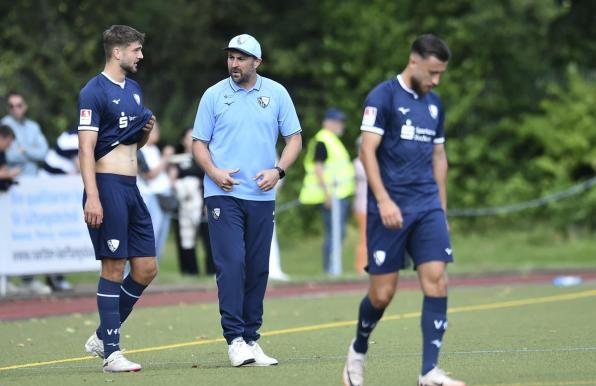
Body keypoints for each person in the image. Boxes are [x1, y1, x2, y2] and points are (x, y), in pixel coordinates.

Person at [342, 34, 466, 386]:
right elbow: (367, 152)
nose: (436, 80)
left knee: (437, 280)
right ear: (414, 62)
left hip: (426, 205)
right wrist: (382, 200)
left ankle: (429, 372)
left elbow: (439, 156)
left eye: (441, 73)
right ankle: (358, 349)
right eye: (432, 72)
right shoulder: (382, 97)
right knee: (382, 294)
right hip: (389, 208)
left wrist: (441, 209)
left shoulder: (435, 104)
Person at [192, 33, 302, 367]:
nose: (234, 63)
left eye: (241, 58)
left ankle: (252, 339)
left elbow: (294, 140)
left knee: (257, 268)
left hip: (261, 196)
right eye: (230, 57)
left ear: (257, 62)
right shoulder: (213, 95)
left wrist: (278, 171)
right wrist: (214, 171)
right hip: (222, 194)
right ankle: (235, 339)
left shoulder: (276, 93)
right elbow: (199, 143)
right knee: (231, 264)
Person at [78, 25, 157, 373]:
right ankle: (112, 352)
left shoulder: (135, 89)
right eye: (136, 49)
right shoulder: (92, 91)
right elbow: (86, 150)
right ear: (117, 52)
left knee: (146, 268)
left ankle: (101, 335)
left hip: (131, 188)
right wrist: (92, 196)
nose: (141, 56)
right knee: (113, 266)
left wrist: (143, 135)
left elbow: (129, 144)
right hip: (106, 186)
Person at [2, 91, 52, 295]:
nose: (16, 109)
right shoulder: (4, 125)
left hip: (32, 188)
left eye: (19, 105)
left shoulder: (33, 126)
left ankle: (29, 278)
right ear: (8, 108)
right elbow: (8, 152)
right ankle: (7, 277)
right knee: (9, 231)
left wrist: (24, 151)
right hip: (9, 187)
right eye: (12, 106)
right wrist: (27, 152)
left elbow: (43, 151)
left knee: (31, 231)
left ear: (25, 105)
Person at [299, 108, 355, 274]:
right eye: (338, 121)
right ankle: (330, 269)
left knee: (337, 233)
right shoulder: (323, 140)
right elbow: (318, 168)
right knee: (334, 233)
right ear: (328, 122)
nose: (341, 125)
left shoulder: (331, 140)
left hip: (339, 195)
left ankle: (332, 268)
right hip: (331, 196)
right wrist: (327, 194)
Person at [39, 126, 81, 291]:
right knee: (51, 236)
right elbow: (82, 165)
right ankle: (52, 277)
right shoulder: (72, 137)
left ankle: (55, 277)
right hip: (49, 196)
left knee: (59, 236)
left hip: (58, 196)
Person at [137, 121, 175, 260]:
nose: (157, 134)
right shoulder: (139, 150)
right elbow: (150, 174)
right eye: (154, 131)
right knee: (152, 231)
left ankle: (154, 265)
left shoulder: (154, 149)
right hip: (150, 196)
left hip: (163, 194)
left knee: (162, 233)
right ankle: (144, 264)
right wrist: (165, 158)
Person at [171, 128, 206, 276]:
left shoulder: (204, 158)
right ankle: (189, 271)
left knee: (208, 238)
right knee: (186, 238)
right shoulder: (176, 159)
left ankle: (212, 270)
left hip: (203, 204)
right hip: (183, 204)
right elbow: (171, 180)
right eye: (188, 137)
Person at [352, 136, 367, 273]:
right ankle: (361, 266)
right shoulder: (358, 163)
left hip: (369, 205)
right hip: (363, 205)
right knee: (364, 236)